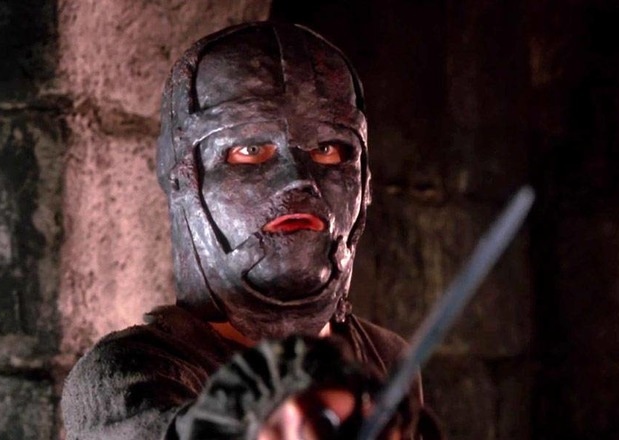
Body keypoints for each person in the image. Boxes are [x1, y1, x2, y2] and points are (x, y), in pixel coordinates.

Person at [62, 22, 441, 440]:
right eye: (250, 150)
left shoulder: (385, 357)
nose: (299, 179)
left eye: (327, 148)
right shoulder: (127, 373)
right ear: (187, 177)